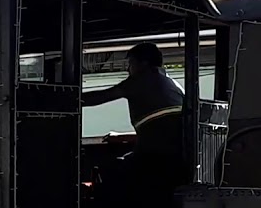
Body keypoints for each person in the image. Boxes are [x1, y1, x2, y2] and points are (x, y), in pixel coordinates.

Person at [81, 41, 190, 186]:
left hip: (156, 158)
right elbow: (162, 124)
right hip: (177, 158)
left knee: (107, 172)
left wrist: (69, 98)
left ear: (143, 64)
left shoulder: (141, 80)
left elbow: (102, 96)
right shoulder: (172, 84)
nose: (128, 69)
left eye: (131, 63)